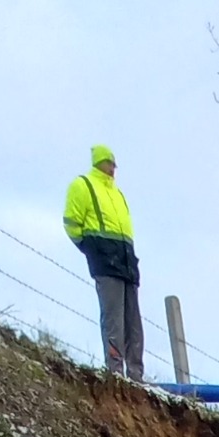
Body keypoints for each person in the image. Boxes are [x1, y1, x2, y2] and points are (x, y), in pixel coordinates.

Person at [63, 145, 143, 381]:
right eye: (110, 163)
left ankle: (136, 374)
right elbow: (71, 223)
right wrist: (91, 249)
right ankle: (115, 371)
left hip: (126, 260)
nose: (113, 169)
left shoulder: (117, 194)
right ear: (100, 162)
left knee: (133, 322)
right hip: (106, 260)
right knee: (113, 319)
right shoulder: (83, 185)